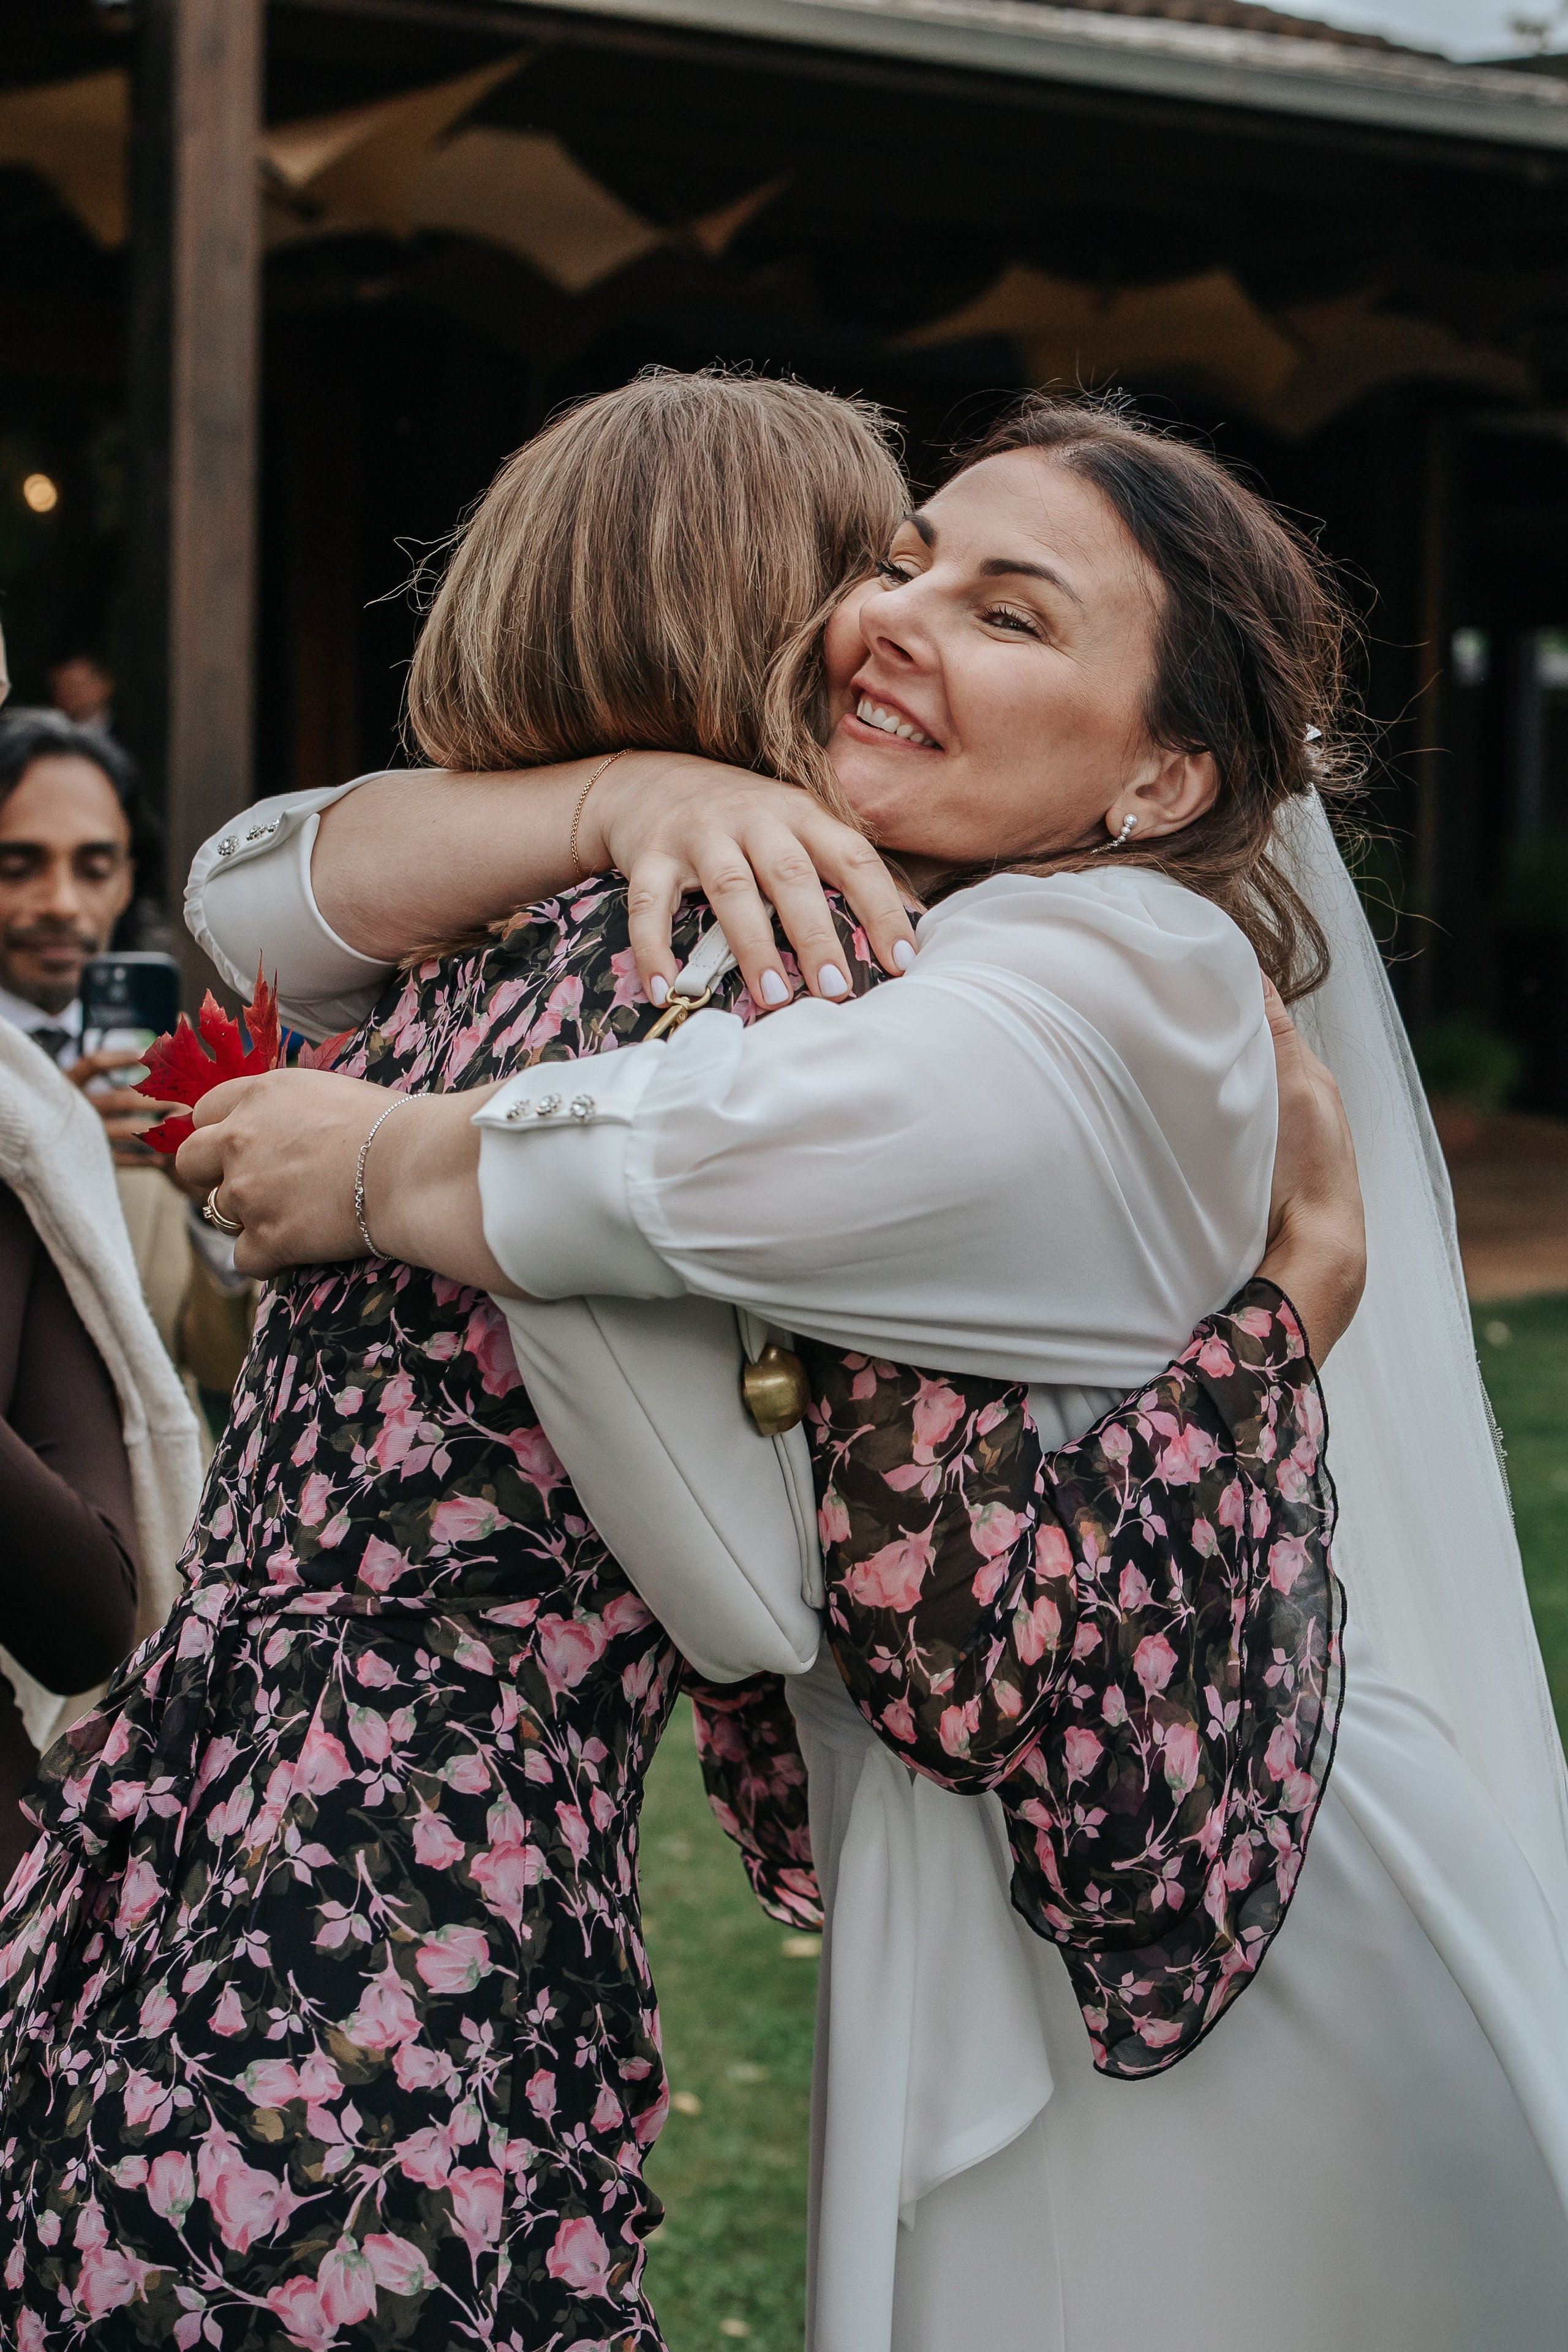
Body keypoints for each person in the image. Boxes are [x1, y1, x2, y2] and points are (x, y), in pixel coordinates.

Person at [180, 391, 1568, 2348]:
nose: (893, 615)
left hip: (1238, 1902)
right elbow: (249, 892)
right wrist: (625, 794)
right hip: (984, 1881)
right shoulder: (931, 925)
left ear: (1163, 777)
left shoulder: (1129, 964)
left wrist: (382, 1157)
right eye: (898, 560)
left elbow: (718, 1148)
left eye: (1009, 614)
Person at [0, 709, 252, 1431]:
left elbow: (224, 1367)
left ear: (126, 879)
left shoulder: (177, 1083)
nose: (60, 904)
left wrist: (214, 1206)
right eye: (18, 866)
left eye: (94, 866)